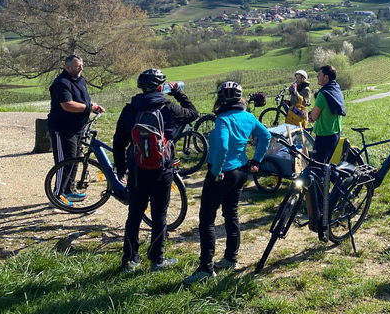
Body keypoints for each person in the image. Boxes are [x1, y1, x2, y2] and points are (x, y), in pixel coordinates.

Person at [184, 81, 271, 284]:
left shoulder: (223, 119)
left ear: (221, 99)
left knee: (207, 219)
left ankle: (205, 267)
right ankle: (231, 258)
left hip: (222, 173)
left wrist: (216, 171)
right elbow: (265, 135)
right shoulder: (248, 116)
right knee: (231, 214)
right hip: (241, 171)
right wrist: (256, 160)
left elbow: (222, 146)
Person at [113, 68, 198, 273]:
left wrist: (122, 169)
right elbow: (193, 114)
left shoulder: (129, 109)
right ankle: (157, 260)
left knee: (134, 213)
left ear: (141, 88)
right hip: (162, 169)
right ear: (162, 87)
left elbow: (118, 142)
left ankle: (130, 260)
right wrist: (178, 92)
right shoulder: (168, 107)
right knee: (159, 213)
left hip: (137, 169)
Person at [47, 55, 104, 203]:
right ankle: (56, 196)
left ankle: (68, 190)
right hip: (63, 129)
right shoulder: (61, 83)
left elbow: (82, 101)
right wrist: (88, 108)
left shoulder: (80, 80)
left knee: (74, 160)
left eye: (82, 64)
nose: (81, 67)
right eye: (78, 65)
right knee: (64, 162)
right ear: (68, 67)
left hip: (78, 129)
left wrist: (94, 106)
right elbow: (68, 105)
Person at [307, 65, 345, 163]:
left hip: (324, 135)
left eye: (319, 74)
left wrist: (311, 116)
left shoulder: (323, 94)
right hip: (335, 133)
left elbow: (314, 117)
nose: (317, 77)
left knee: (317, 166)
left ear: (326, 77)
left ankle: (332, 178)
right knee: (326, 163)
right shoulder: (335, 89)